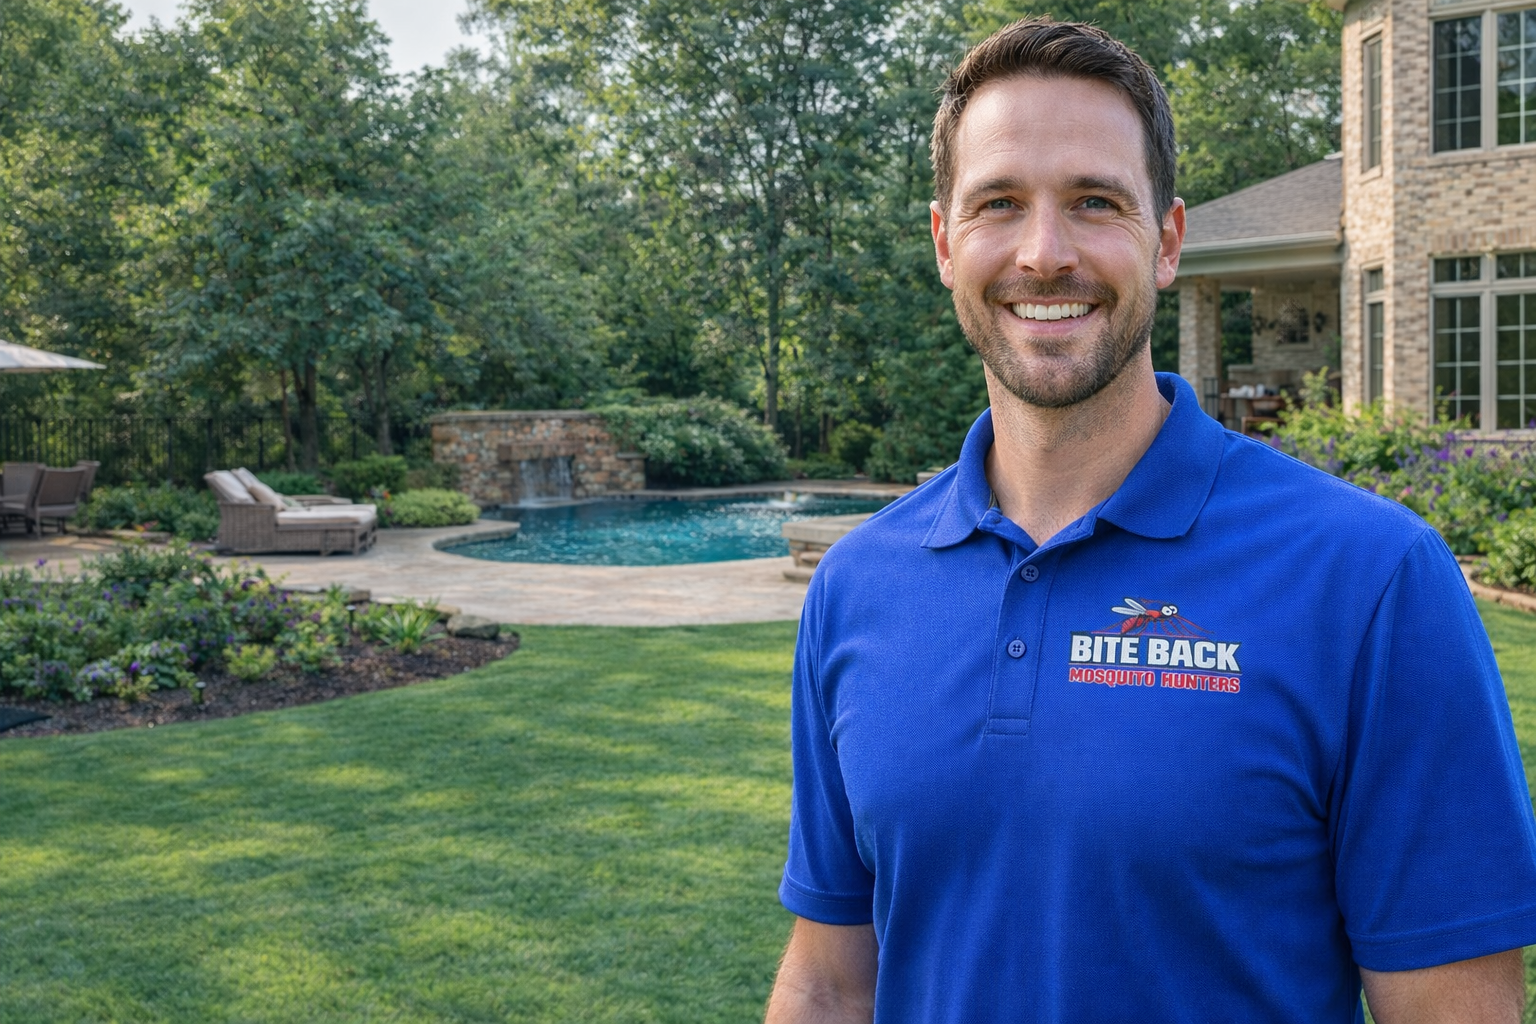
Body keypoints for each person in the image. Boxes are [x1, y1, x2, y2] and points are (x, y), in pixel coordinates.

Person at [764, 17, 1536, 1024]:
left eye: (1095, 202)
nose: (1045, 255)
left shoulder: (1372, 580)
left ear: (1166, 241)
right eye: (1000, 203)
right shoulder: (857, 589)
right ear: (946, 243)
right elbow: (828, 980)